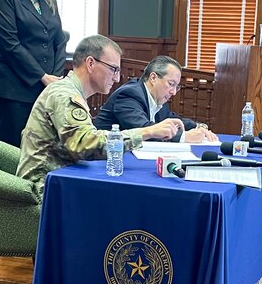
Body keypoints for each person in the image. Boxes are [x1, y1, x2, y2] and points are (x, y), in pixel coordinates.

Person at [17, 34, 182, 197]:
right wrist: (147, 132)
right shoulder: (64, 95)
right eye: (113, 69)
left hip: (63, 180)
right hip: (45, 192)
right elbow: (84, 146)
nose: (117, 78)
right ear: (90, 63)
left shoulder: (69, 91)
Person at [0, 0, 69, 147]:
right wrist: (42, 77)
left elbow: (60, 41)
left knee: (44, 149)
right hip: (15, 91)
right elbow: (11, 45)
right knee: (16, 150)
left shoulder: (48, 0)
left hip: (46, 90)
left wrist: (55, 77)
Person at [94, 55, 218, 143]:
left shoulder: (157, 98)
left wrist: (198, 127)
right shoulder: (129, 95)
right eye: (171, 84)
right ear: (153, 78)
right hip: (103, 160)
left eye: (176, 86)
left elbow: (173, 119)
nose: (174, 92)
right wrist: (184, 137)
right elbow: (145, 130)